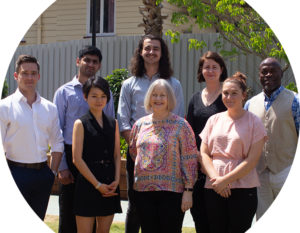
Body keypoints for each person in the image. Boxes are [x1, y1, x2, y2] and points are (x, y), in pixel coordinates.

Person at [117, 34, 185, 233]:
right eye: (147, 48)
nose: (151, 52)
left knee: (164, 206)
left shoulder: (174, 84)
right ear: (140, 52)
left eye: (156, 48)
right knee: (136, 204)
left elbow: (178, 119)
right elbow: (123, 119)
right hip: (137, 155)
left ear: (162, 53)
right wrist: (138, 148)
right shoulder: (129, 84)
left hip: (167, 158)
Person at [53, 46, 115, 233]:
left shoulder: (106, 93)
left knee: (99, 215)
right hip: (73, 161)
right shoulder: (64, 92)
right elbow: (57, 131)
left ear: (99, 65)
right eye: (86, 60)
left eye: (95, 61)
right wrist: (62, 166)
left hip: (98, 162)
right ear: (78, 61)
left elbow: (110, 128)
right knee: (69, 215)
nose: (90, 64)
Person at [199, 72, 267, 233]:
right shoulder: (213, 120)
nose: (228, 97)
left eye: (234, 93)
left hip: (243, 188)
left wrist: (225, 180)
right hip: (214, 186)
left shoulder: (254, 122)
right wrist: (217, 180)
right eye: (225, 93)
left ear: (244, 95)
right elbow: (204, 153)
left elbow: (251, 160)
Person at [129, 79, 198, 233]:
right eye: (154, 95)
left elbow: (190, 159)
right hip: (143, 191)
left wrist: (188, 190)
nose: (158, 99)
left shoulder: (181, 125)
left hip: (172, 192)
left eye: (162, 95)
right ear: (149, 98)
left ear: (169, 99)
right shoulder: (139, 125)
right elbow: (134, 152)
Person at [0, 55, 64, 220]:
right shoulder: (4, 107)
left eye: (33, 73)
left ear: (38, 76)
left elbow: (57, 142)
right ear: (16, 76)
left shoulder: (50, 108)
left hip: (43, 175)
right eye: (25, 73)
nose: (29, 77)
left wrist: (52, 173)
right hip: (14, 173)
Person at [244, 57, 299, 219]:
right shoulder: (250, 104)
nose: (268, 75)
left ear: (281, 73)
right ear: (259, 75)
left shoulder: (295, 101)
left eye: (273, 71)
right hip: (260, 174)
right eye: (264, 72)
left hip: (286, 170)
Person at [72, 76, 122, 233]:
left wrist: (116, 180)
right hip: (88, 184)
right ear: (85, 97)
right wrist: (97, 185)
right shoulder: (80, 123)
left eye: (103, 96)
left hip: (110, 184)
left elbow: (116, 155)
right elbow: (76, 159)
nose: (99, 100)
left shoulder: (113, 123)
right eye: (94, 96)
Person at [187, 51, 227, 233]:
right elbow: (189, 133)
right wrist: (200, 159)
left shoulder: (228, 97)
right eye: (206, 67)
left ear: (221, 70)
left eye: (214, 67)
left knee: (218, 219)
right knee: (199, 217)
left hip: (221, 167)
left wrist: (210, 163)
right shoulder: (195, 98)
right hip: (197, 168)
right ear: (201, 71)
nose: (210, 70)